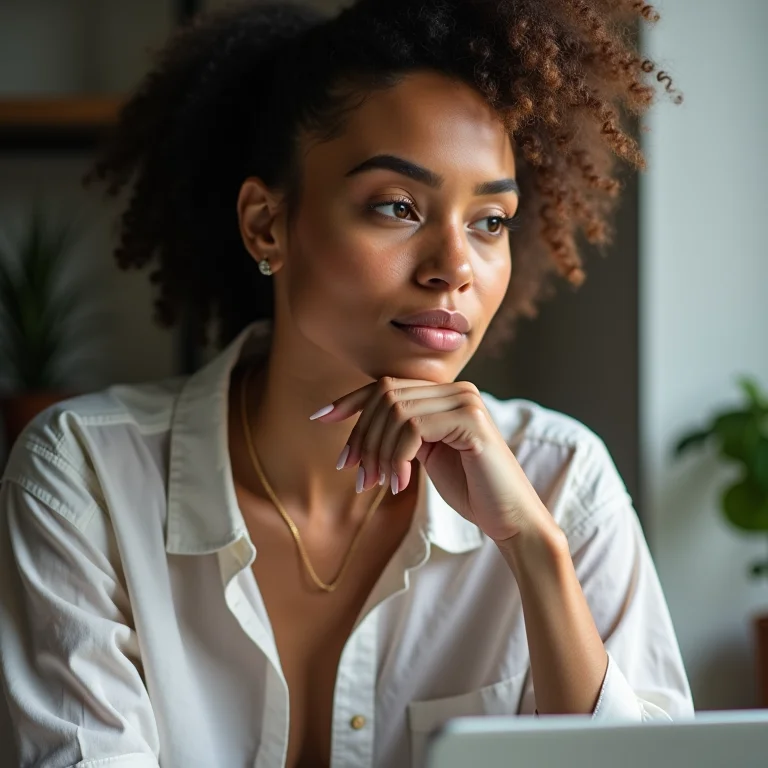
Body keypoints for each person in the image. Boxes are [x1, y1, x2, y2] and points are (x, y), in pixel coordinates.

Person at [0, 1, 694, 766]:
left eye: (490, 220)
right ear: (267, 223)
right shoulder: (87, 476)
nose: (454, 268)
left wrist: (532, 551)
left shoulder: (562, 481)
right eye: (398, 207)